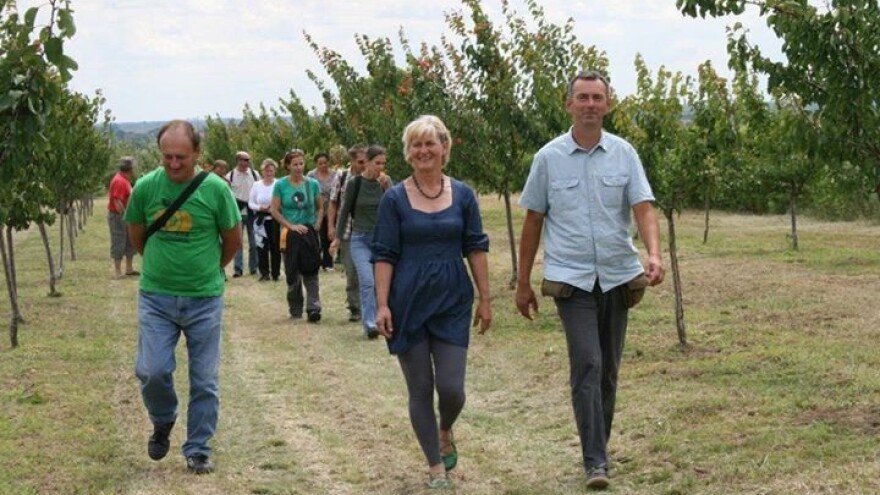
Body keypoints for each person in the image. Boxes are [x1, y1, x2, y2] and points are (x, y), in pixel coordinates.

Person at [515, 70, 665, 490]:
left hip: (618, 276)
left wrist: (653, 254)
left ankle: (599, 445)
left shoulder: (624, 154)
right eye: (582, 97)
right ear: (569, 105)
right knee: (588, 362)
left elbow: (644, 208)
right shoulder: (548, 158)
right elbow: (532, 220)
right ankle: (594, 461)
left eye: (597, 97)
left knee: (609, 371)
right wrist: (523, 283)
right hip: (570, 279)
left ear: (608, 103)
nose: (590, 105)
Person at [373, 115, 491, 489]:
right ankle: (435, 468)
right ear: (408, 154)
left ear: (444, 148)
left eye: (430, 143)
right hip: (407, 300)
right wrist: (382, 304)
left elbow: (475, 246)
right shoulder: (393, 199)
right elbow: (384, 253)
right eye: (416, 145)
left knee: (453, 388)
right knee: (420, 387)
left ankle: (445, 427)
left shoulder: (464, 194)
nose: (424, 151)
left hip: (453, 298)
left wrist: (486, 298)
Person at [124, 119, 242, 475]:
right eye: (167, 157)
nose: (174, 164)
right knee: (151, 370)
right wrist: (163, 268)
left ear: (198, 154)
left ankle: (198, 448)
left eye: (182, 158)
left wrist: (208, 270)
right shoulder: (145, 187)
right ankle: (163, 419)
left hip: (204, 298)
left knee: (204, 380)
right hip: (156, 297)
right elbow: (137, 236)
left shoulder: (216, 190)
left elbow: (232, 240)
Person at [331, 144, 392, 339]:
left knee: (380, 283)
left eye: (383, 163)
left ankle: (383, 317)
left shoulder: (386, 183)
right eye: (377, 163)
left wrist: (387, 187)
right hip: (359, 239)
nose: (380, 167)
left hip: (380, 239)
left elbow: (395, 208)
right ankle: (370, 324)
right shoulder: (354, 184)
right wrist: (337, 238)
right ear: (367, 163)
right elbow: (344, 212)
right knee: (366, 280)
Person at [271, 149, 323, 322]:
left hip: (308, 232)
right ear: (287, 166)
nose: (299, 167)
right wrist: (290, 226)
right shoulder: (280, 185)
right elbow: (275, 210)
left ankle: (314, 308)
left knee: (311, 271)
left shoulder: (312, 184)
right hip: (289, 234)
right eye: (295, 164)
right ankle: (295, 308)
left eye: (301, 163)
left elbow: (320, 207)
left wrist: (317, 223)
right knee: (292, 272)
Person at [327, 144, 367, 323]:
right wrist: (331, 227)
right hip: (348, 232)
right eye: (360, 162)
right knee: (352, 271)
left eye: (366, 161)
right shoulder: (341, 177)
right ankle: (354, 307)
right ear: (351, 161)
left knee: (368, 272)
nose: (363, 165)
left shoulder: (373, 177)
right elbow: (334, 203)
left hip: (368, 231)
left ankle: (368, 306)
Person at [226, 151, 260, 277]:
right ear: (238, 161)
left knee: (254, 242)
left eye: (248, 160)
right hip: (237, 211)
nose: (247, 162)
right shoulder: (230, 175)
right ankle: (238, 269)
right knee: (238, 242)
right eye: (244, 160)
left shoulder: (255, 174)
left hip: (253, 211)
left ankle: (254, 268)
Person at [249, 158, 281, 281]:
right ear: (263, 171)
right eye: (266, 170)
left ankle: (276, 273)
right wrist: (260, 207)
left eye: (271, 170)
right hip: (261, 220)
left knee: (275, 247)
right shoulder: (256, 185)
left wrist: (275, 207)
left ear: (275, 171)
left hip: (275, 219)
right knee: (261, 247)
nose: (269, 173)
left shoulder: (278, 184)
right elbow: (251, 203)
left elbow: (282, 200)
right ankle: (264, 273)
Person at [306, 152, 338, 271]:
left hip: (330, 209)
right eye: (320, 163)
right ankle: (315, 261)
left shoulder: (335, 175)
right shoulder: (311, 175)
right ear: (316, 164)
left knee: (328, 236)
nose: (323, 165)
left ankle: (328, 263)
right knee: (315, 237)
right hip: (316, 209)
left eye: (325, 162)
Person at [107, 156, 137, 279]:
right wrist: (124, 216)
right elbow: (117, 201)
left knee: (130, 242)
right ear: (129, 169)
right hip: (118, 216)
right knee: (119, 240)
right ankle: (118, 271)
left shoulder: (124, 179)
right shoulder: (119, 181)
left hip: (125, 215)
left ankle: (129, 269)